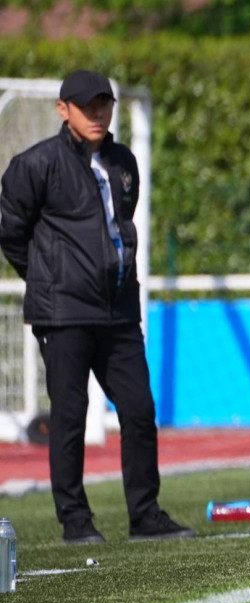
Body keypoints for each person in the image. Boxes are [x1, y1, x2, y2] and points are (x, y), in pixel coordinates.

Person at [0, 69, 195, 544]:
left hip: (119, 312)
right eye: (88, 106)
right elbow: (10, 232)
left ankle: (145, 516)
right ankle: (75, 521)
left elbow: (119, 229)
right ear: (63, 110)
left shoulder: (124, 162)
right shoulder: (35, 164)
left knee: (138, 409)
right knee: (69, 415)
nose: (99, 114)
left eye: (105, 105)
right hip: (62, 313)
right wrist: (49, 280)